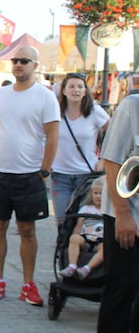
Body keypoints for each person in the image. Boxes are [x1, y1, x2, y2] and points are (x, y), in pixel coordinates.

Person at [0, 47, 60, 306]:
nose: (18, 64)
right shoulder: (0, 95)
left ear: (35, 65)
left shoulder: (45, 97)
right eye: (15, 60)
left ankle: (28, 284)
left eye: (24, 61)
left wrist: (44, 169)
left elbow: (53, 136)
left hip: (29, 174)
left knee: (27, 230)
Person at [89, 91, 139, 333]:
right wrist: (122, 214)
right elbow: (111, 161)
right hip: (127, 215)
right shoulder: (132, 106)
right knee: (121, 291)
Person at [51, 72, 109, 225]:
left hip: (86, 174)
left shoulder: (94, 112)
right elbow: (45, 137)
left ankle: (77, 248)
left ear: (85, 91)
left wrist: (103, 158)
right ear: (63, 90)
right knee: (62, 222)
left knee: (83, 222)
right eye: (71, 86)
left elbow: (112, 132)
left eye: (79, 87)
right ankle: (64, 249)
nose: (75, 90)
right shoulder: (55, 112)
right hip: (60, 175)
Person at [58, 176, 104, 280]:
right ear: (91, 194)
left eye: (102, 194)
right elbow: (79, 226)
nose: (98, 196)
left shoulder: (109, 210)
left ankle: (87, 268)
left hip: (101, 241)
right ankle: (72, 266)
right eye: (96, 193)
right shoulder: (86, 208)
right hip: (86, 239)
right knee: (74, 238)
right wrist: (75, 234)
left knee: (107, 248)